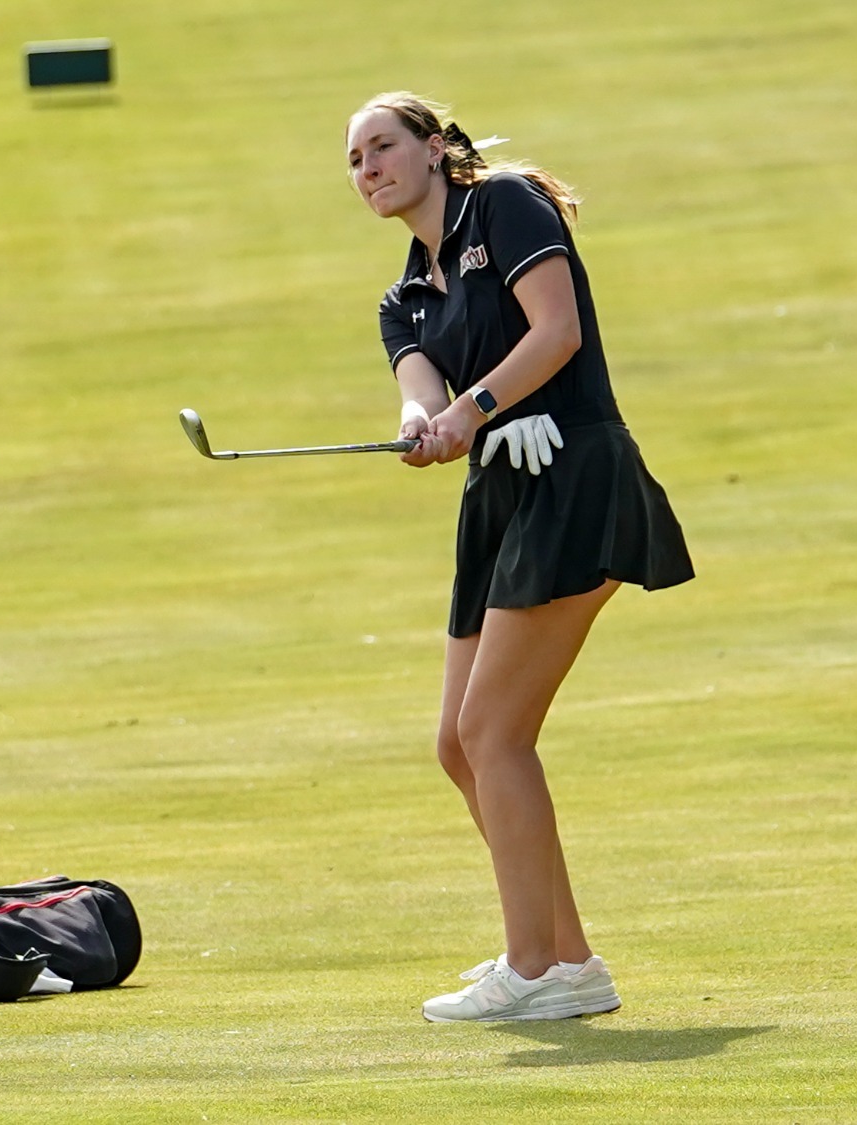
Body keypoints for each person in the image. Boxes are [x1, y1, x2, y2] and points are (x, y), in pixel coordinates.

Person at [346, 92, 694, 1022]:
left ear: (431, 148)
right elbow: (420, 395)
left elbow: (558, 331)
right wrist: (426, 426)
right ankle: (567, 960)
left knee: (496, 731)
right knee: (460, 744)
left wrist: (474, 410)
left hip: (575, 467)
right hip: (500, 492)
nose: (368, 168)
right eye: (354, 160)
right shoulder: (402, 298)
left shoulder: (501, 203)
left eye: (383, 147)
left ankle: (533, 969)